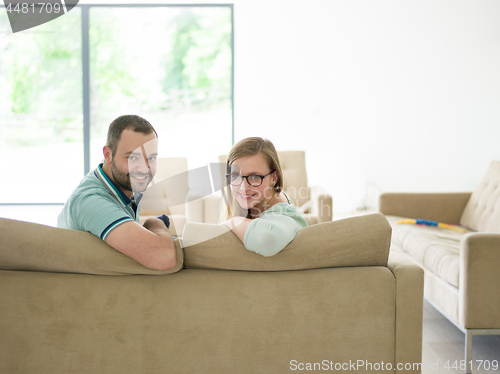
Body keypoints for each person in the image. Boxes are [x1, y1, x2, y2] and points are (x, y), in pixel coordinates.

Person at [58, 114, 176, 270]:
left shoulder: (125, 187)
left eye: (151, 158)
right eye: (133, 158)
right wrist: (155, 223)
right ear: (108, 154)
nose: (144, 168)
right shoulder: (91, 201)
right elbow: (162, 257)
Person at [220, 137, 307, 256]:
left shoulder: (284, 212)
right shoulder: (260, 203)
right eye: (235, 177)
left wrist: (232, 222)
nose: (243, 187)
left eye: (255, 177)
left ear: (274, 178)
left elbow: (267, 240)